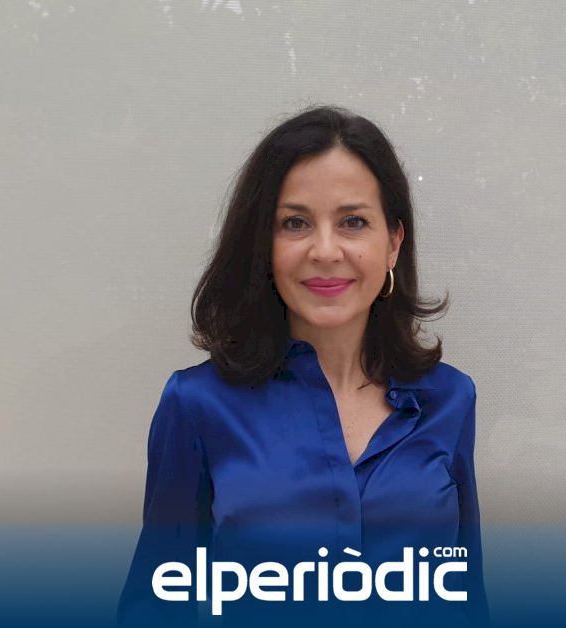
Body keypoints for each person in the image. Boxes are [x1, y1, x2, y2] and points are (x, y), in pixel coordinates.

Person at [117, 105, 489, 627]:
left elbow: (465, 600)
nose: (325, 250)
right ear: (263, 246)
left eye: (353, 222)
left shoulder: (449, 400)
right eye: (295, 223)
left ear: (393, 242)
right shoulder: (197, 406)